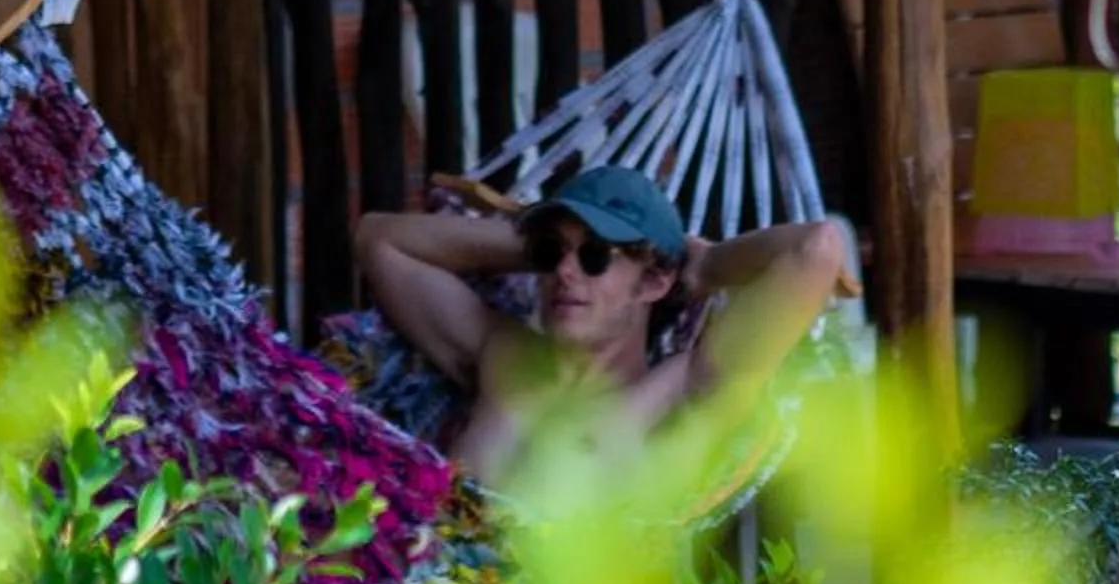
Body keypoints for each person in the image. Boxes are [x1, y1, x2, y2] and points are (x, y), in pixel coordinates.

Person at [353, 164, 856, 486]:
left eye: (595, 256)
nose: (564, 273)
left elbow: (816, 249)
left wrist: (707, 266)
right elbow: (379, 239)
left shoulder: (680, 392)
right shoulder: (502, 352)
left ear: (654, 283)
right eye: (553, 255)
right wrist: (538, 245)